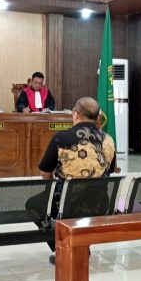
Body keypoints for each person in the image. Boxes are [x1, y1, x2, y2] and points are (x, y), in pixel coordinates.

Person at [26, 96, 116, 264]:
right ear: (97, 117)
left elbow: (45, 173)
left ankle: (63, 246)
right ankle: (81, 245)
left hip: (66, 204)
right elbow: (108, 171)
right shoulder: (108, 140)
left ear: (75, 114)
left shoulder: (61, 138)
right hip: (100, 204)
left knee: (33, 204)